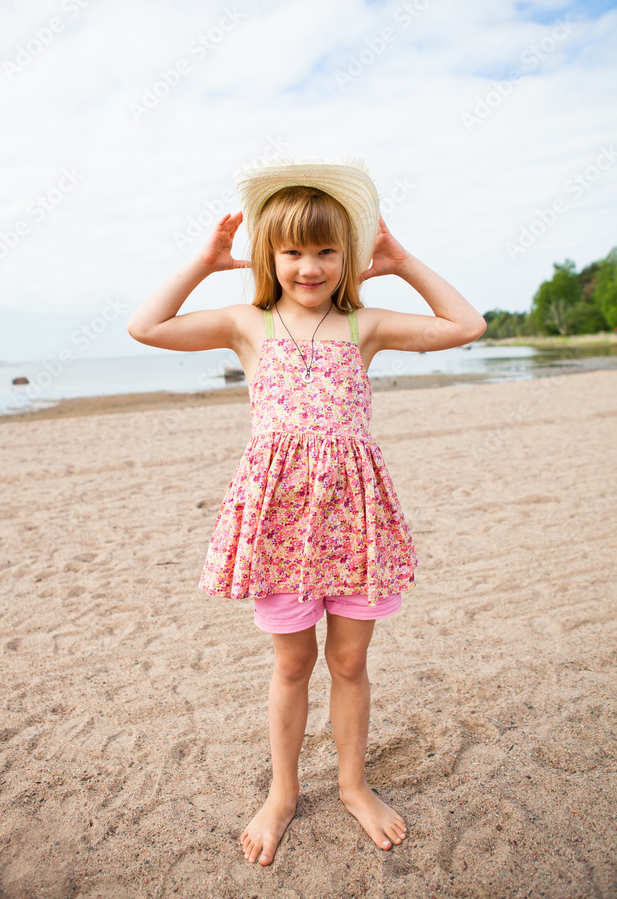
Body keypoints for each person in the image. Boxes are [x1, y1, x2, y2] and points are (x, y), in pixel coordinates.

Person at [127, 156, 486, 867]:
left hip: (354, 519)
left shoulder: (365, 325)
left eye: (327, 249)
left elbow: (465, 324)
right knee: (292, 664)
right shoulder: (246, 323)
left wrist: (403, 261)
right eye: (293, 250)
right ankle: (283, 791)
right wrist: (203, 261)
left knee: (349, 662)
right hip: (281, 524)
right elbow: (146, 326)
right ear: (269, 255)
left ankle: (352, 783)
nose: (310, 265)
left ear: (348, 255)